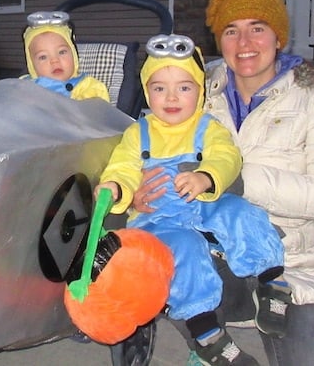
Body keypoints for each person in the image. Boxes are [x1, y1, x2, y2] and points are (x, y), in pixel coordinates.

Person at [133, 0, 314, 366]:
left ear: (278, 36)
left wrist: (238, 179)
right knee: (159, 262)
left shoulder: (312, 101)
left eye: (257, 27)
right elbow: (140, 148)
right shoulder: (191, 90)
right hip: (211, 257)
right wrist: (138, 194)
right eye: (230, 30)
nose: (244, 42)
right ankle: (207, 342)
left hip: (293, 264)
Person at [95, 34, 292, 366]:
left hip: (204, 204)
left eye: (184, 88)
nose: (171, 97)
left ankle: (272, 281)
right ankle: (206, 335)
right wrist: (116, 187)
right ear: (147, 92)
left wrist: (206, 176)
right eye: (159, 88)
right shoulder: (137, 133)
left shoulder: (208, 127)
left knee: (240, 212)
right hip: (161, 217)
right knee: (183, 252)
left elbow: (227, 157)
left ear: (200, 91)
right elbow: (124, 167)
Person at [21, 10, 110, 101]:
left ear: (74, 54)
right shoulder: (22, 89)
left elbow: (100, 113)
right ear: (31, 65)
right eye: (43, 57)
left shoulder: (91, 89)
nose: (54, 60)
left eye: (62, 52)